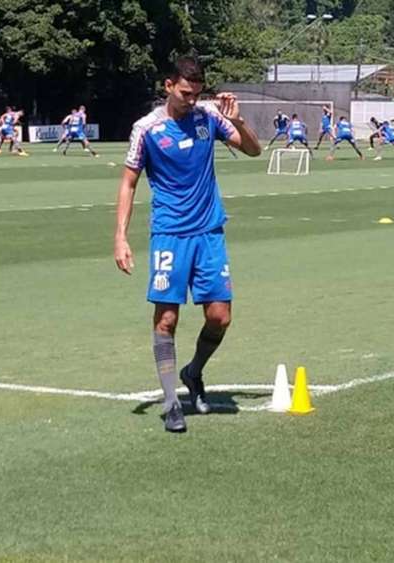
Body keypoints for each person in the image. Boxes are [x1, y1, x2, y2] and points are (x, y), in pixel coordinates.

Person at [114, 56, 261, 433]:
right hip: (169, 234)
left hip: (209, 232)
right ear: (168, 86)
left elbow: (253, 150)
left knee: (220, 317)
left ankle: (193, 371)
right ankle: (170, 403)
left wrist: (239, 120)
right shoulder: (147, 129)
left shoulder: (209, 116)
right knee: (167, 318)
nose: (191, 100)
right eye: (184, 93)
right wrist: (121, 237)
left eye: (196, 94)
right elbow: (129, 182)